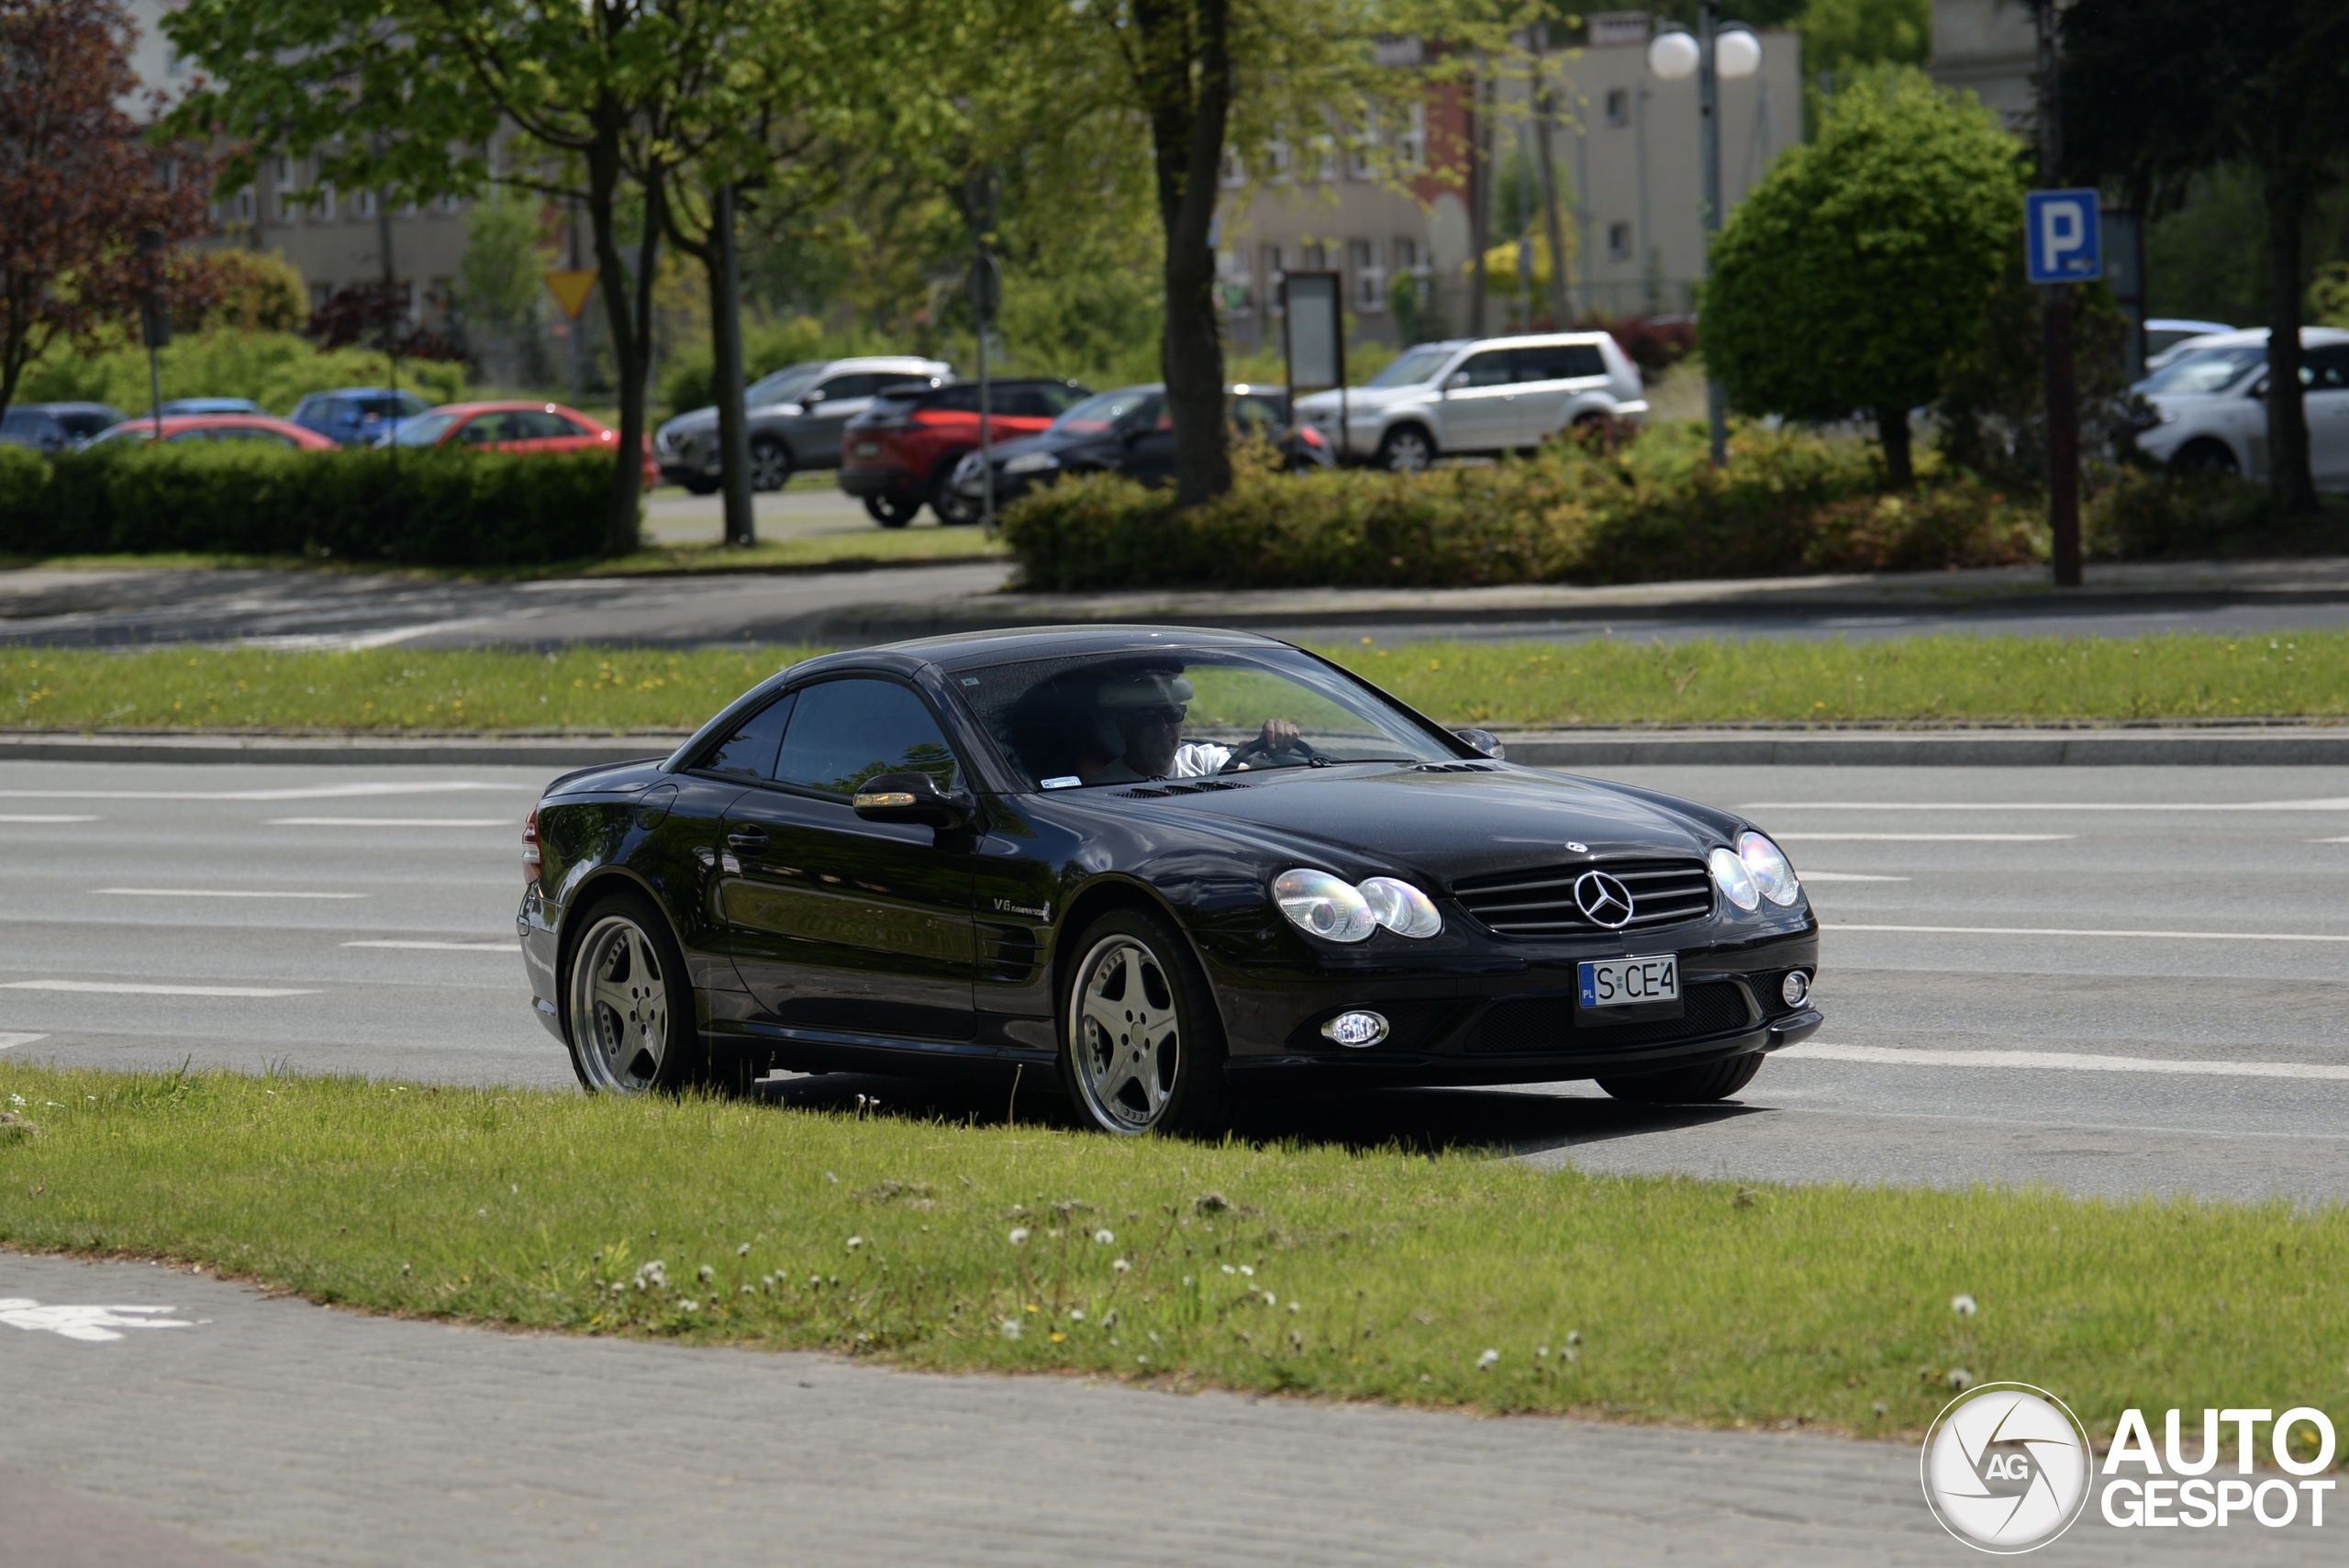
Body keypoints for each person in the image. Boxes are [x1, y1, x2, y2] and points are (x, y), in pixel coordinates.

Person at [1070, 669, 1299, 784]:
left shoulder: (1203, 762)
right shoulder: (1102, 787)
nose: (1163, 726)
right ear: (1123, 725)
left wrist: (1268, 754)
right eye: (1147, 716)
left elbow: (1254, 783)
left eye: (1173, 714)